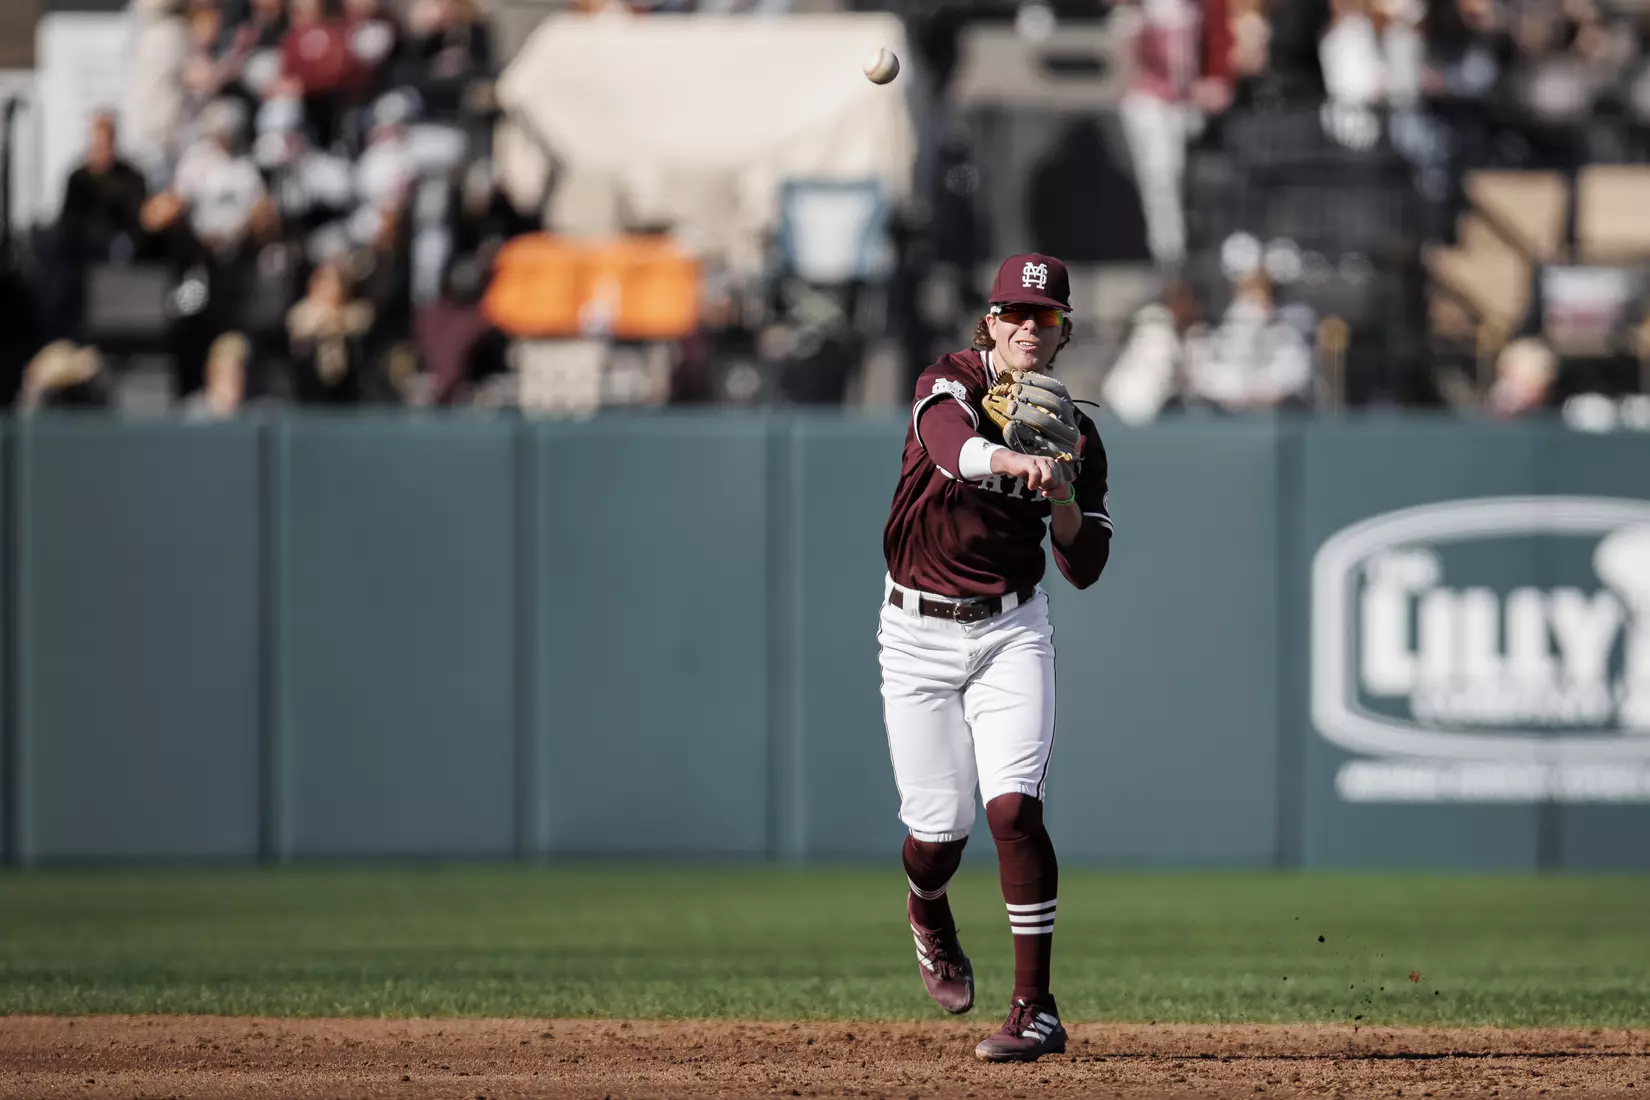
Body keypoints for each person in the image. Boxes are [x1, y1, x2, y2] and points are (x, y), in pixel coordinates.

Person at [877, 253, 1113, 1063]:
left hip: (1011, 629)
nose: (1025, 327)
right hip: (916, 633)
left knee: (1013, 811)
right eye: (1012, 312)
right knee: (937, 836)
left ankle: (1036, 1009)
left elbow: (1084, 565)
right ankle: (928, 907)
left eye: (1042, 317)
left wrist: (1064, 495)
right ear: (990, 319)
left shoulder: (1076, 431)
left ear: (1062, 331)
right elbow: (948, 447)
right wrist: (1011, 458)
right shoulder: (948, 380)